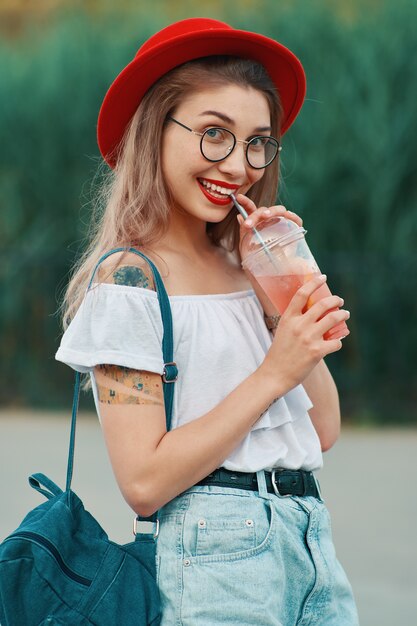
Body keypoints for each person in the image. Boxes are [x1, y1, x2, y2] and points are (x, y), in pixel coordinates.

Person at [56, 17, 359, 625]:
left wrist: (281, 301)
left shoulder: (246, 264)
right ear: (155, 131)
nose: (238, 164)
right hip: (217, 553)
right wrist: (274, 372)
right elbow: (143, 482)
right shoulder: (130, 281)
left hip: (310, 540)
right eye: (213, 134)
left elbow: (323, 429)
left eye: (257, 142)